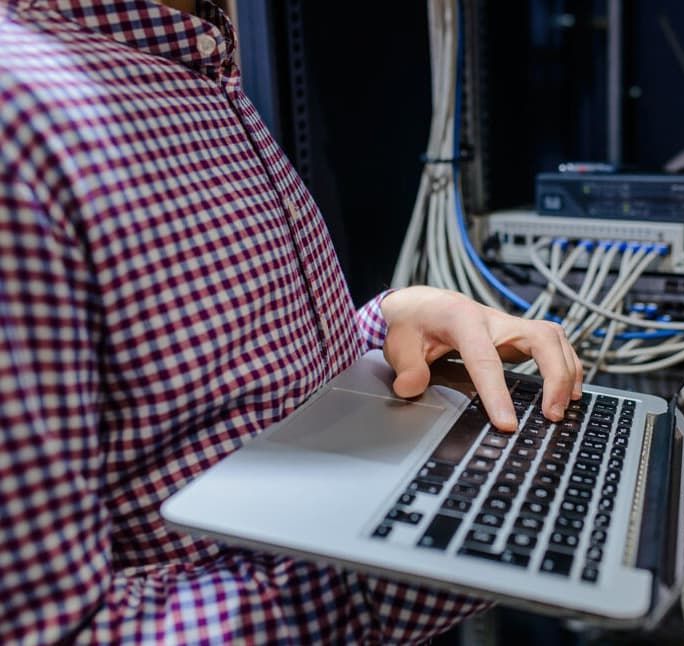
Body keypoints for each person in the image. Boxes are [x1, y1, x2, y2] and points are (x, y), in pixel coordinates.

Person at [0, 1, 584, 642]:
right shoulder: (17, 125)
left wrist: (389, 324)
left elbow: (216, 393)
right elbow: (52, 628)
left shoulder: (190, 63)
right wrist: (418, 554)